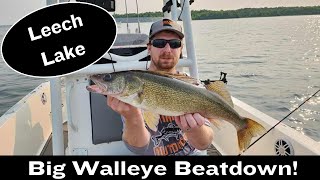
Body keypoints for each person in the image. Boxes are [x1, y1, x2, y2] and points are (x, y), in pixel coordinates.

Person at [107, 18, 214, 155]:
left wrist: (194, 129)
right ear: (149, 48)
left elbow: (204, 144)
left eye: (175, 44)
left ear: (181, 49)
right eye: (160, 43)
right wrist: (132, 117)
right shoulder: (135, 86)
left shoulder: (194, 86)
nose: (167, 49)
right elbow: (137, 148)